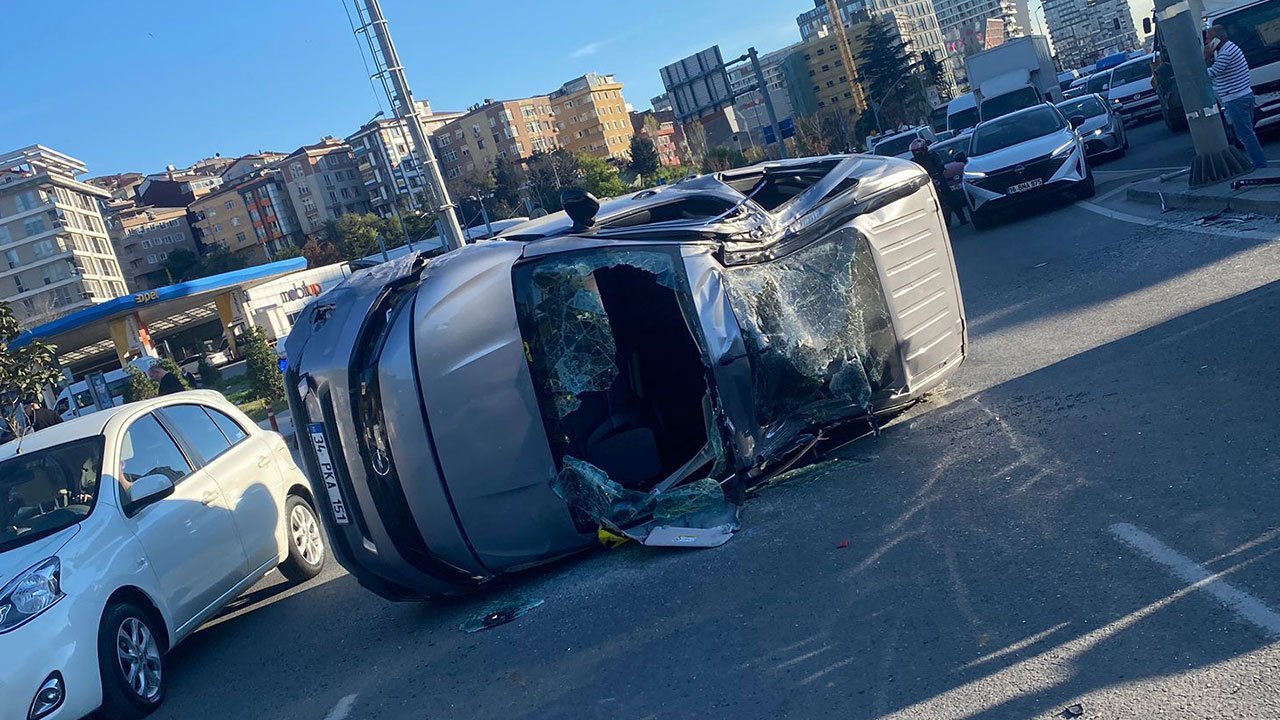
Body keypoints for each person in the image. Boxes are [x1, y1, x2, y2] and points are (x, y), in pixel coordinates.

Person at [1206, 25, 1268, 170]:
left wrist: (1205, 58)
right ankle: (1258, 162)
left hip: (1236, 99)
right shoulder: (1228, 49)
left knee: (1246, 135)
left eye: (1208, 38)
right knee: (1247, 133)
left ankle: (1259, 164)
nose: (1206, 42)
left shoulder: (1226, 53)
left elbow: (1210, 74)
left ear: (1216, 39)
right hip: (1243, 95)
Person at [911, 139, 967, 227]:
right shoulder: (914, 162)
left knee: (951, 198)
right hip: (925, 183)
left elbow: (940, 165)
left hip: (938, 179)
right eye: (915, 151)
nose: (918, 153)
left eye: (919, 150)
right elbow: (913, 173)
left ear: (925, 149)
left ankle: (962, 218)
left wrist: (938, 172)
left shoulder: (932, 155)